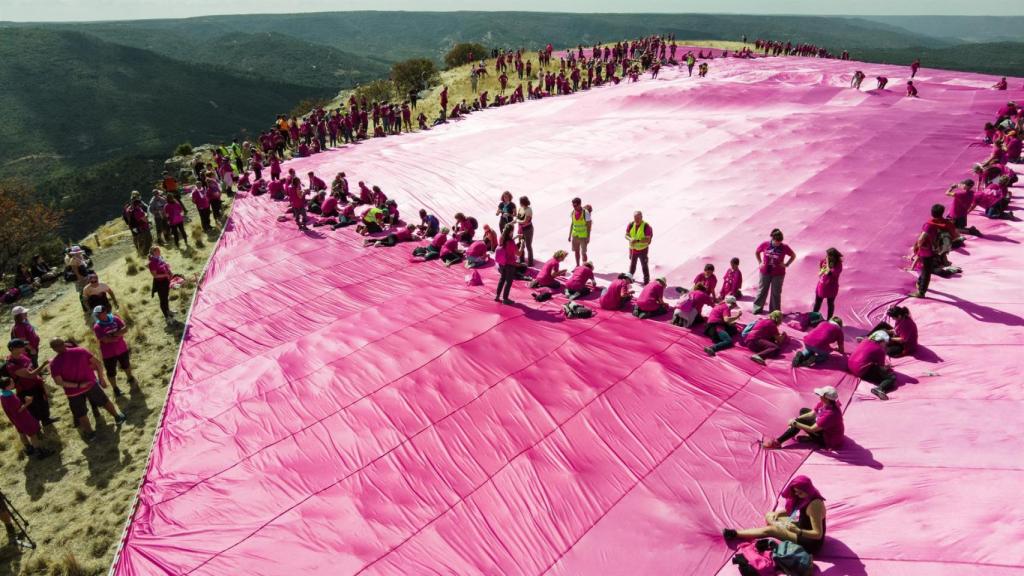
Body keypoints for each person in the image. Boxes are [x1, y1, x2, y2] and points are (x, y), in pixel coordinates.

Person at [723, 475, 827, 557]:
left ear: (806, 490)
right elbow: (794, 510)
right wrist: (778, 514)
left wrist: (797, 531)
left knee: (771, 530)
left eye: (799, 493)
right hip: (801, 527)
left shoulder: (814, 506)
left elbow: (818, 534)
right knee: (770, 515)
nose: (797, 495)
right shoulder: (809, 495)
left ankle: (735, 533)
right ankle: (778, 528)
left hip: (810, 543)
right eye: (795, 492)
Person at [48, 338, 126, 441]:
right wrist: (101, 378)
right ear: (64, 344)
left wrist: (79, 385)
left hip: (73, 392)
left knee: (81, 414)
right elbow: (98, 363)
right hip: (90, 385)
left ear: (53, 349)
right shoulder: (80, 350)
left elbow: (59, 382)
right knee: (104, 401)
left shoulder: (54, 363)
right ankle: (117, 417)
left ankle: (90, 434)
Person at [762, 386, 845, 450]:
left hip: (827, 440)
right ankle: (808, 435)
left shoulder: (831, 414)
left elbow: (812, 429)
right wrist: (796, 419)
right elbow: (812, 414)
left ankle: (778, 442)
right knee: (803, 411)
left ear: (826, 398)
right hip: (825, 429)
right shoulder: (827, 403)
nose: (819, 396)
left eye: (820, 395)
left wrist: (795, 423)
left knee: (799, 422)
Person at [910, 204, 956, 298]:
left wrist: (918, 248)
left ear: (932, 212)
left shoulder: (930, 224)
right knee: (927, 268)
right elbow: (954, 235)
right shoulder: (947, 223)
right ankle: (920, 282)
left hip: (927, 250)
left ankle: (921, 292)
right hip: (939, 250)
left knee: (927, 270)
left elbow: (921, 239)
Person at [5, 339, 54, 426]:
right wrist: (43, 365)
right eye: (21, 346)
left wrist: (38, 377)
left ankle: (46, 420)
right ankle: (36, 428)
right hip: (27, 390)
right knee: (33, 409)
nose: (25, 347)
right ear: (13, 349)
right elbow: (30, 375)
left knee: (43, 403)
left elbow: (30, 367)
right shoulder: (12, 364)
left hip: (35, 385)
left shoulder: (22, 355)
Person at [1, 375, 51, 459]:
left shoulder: (3, 395)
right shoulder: (9, 398)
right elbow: (18, 411)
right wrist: (28, 402)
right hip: (23, 418)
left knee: (21, 432)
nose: (14, 383)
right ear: (7, 386)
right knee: (33, 434)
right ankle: (40, 452)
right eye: (12, 382)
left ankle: (29, 448)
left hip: (15, 420)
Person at [92, 306, 135, 397]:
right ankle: (115, 388)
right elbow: (106, 340)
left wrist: (113, 334)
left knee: (126, 365)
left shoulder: (114, 319)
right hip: (108, 354)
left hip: (122, 349)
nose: (102, 315)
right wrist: (118, 334)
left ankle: (130, 378)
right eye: (99, 314)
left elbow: (125, 329)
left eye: (103, 312)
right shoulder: (97, 326)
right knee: (111, 372)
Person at [753, 229, 796, 315]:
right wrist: (760, 262)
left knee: (776, 292)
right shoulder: (765, 244)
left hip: (778, 274)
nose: (778, 243)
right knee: (762, 290)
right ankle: (757, 308)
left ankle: (774, 312)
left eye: (780, 241)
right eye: (776, 241)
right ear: (772, 238)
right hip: (765, 272)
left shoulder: (784, 247)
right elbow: (757, 252)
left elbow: (793, 255)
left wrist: (786, 264)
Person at [849, 331, 897, 400]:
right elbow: (881, 367)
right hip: (860, 371)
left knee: (873, 365)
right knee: (891, 377)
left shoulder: (865, 340)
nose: (886, 345)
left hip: (850, 365)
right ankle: (879, 388)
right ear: (882, 341)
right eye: (885, 343)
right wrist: (887, 368)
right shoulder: (880, 350)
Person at [812, 248, 843, 320]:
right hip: (821, 285)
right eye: (827, 255)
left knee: (830, 304)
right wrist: (822, 269)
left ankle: (829, 320)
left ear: (834, 256)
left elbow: (831, 273)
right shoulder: (823, 261)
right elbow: (820, 272)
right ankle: (813, 318)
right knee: (817, 303)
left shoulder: (838, 264)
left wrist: (828, 264)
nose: (827, 257)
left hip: (831, 287)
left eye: (829, 256)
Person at [147, 247, 175, 322]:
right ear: (154, 252)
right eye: (158, 250)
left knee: (166, 297)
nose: (160, 251)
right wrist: (165, 275)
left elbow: (165, 265)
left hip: (166, 281)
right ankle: (166, 317)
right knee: (162, 300)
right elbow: (155, 276)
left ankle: (168, 311)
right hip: (160, 283)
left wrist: (170, 271)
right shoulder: (152, 263)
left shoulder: (160, 258)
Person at [625, 211, 653, 285]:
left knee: (644, 266)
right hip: (633, 249)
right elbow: (626, 235)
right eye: (635, 218)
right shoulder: (631, 224)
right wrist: (630, 239)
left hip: (642, 250)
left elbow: (647, 239)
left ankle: (646, 281)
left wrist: (637, 240)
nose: (636, 220)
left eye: (638, 218)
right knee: (632, 265)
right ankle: (629, 279)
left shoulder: (646, 226)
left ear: (641, 217)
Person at [494, 224, 519, 304]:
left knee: (502, 278)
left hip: (502, 263)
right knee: (508, 281)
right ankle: (505, 299)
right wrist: (522, 245)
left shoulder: (501, 238)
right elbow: (518, 254)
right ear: (511, 232)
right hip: (509, 264)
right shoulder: (511, 243)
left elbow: (506, 243)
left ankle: (497, 296)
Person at [567, 197, 592, 267]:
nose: (574, 207)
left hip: (583, 236)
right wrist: (569, 235)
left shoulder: (585, 213)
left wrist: (588, 237)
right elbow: (572, 223)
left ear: (580, 204)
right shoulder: (573, 212)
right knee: (576, 252)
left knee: (583, 253)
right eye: (573, 205)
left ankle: (584, 266)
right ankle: (577, 266)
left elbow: (589, 226)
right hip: (575, 235)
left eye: (575, 205)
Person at [516, 196, 535, 266]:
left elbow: (525, 221)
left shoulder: (529, 210)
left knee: (528, 245)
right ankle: (521, 260)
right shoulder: (520, 208)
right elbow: (518, 218)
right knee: (521, 245)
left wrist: (519, 221)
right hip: (521, 229)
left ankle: (530, 262)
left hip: (528, 229)